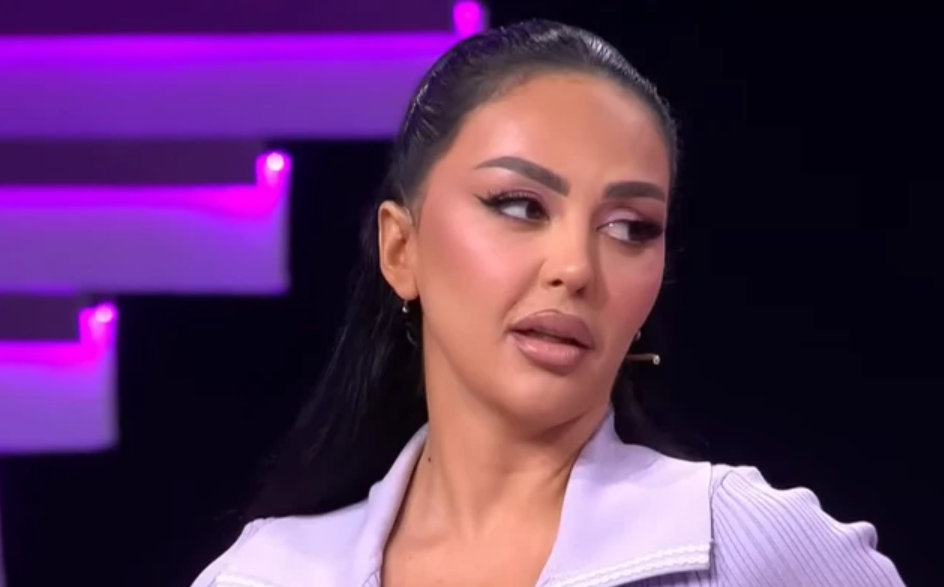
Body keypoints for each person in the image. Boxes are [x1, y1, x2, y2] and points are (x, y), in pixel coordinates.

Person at [190, 19, 905, 587]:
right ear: (401, 249)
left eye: (630, 228)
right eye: (520, 206)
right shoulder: (266, 574)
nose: (575, 268)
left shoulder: (739, 546)